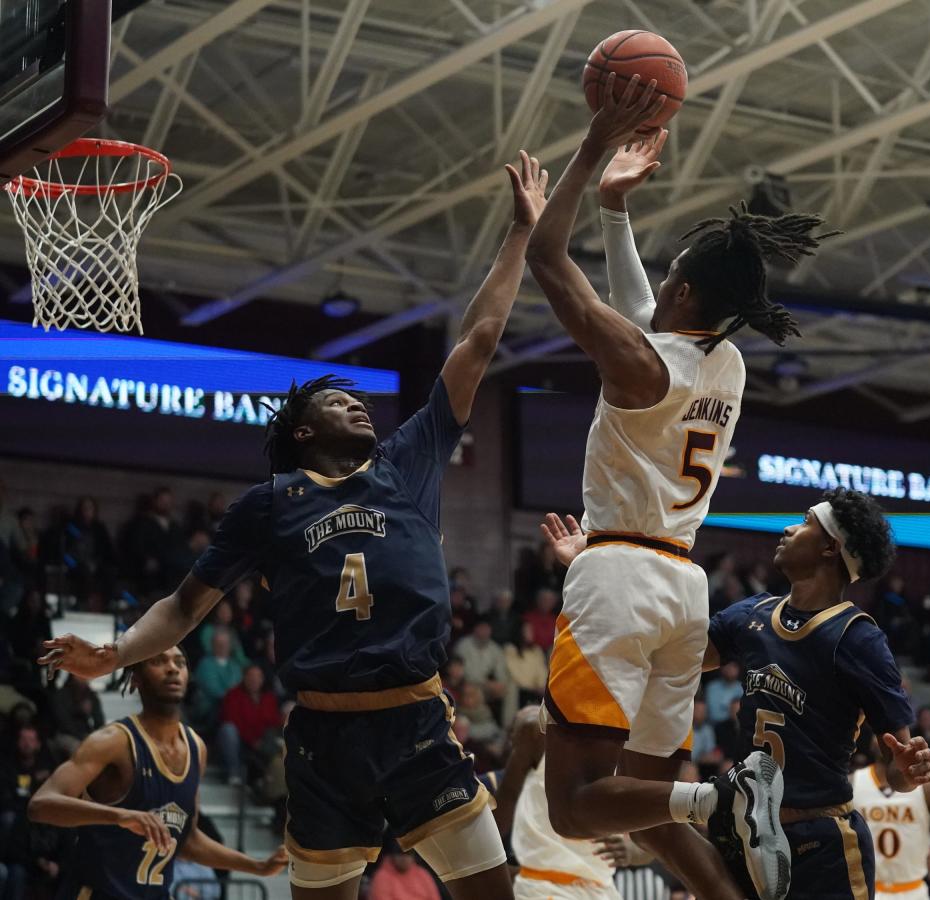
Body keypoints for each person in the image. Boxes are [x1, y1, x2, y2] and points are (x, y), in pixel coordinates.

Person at [40, 151, 549, 900]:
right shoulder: (270, 502)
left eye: (359, 399)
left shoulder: (407, 461)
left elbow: (475, 344)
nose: (358, 404)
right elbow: (184, 607)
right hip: (324, 736)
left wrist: (518, 234)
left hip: (417, 725)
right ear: (302, 433)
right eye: (337, 401)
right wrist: (115, 654)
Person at [524, 72, 837, 900]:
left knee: (576, 806)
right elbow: (647, 306)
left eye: (672, 275)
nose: (659, 283)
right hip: (683, 587)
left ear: (687, 291)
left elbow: (545, 261)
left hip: (619, 576)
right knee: (647, 803)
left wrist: (592, 149)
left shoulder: (636, 366)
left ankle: (723, 795)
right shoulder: (723, 360)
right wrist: (615, 210)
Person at [543, 487, 930, 900]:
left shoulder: (857, 637)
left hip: (820, 841)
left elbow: (897, 764)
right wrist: (598, 575)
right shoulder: (754, 614)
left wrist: (908, 771)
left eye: (805, 522)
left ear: (830, 547)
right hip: (744, 833)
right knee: (652, 829)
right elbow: (675, 654)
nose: (787, 528)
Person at [28, 646, 287, 899]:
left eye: (180, 662)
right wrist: (118, 816)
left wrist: (257, 866)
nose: (172, 669)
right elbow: (41, 805)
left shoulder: (196, 747)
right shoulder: (112, 742)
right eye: (159, 661)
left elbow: (188, 841)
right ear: (136, 679)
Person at [493, 706, 649, 899]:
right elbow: (508, 796)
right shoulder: (537, 730)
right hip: (542, 885)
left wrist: (632, 852)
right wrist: (487, 868)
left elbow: (657, 836)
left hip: (602, 889)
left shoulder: (634, 748)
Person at [853, 742, 930, 900]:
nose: (885, 740)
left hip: (913, 890)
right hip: (867, 891)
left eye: (892, 731)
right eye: (880, 733)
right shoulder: (852, 783)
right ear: (870, 740)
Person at [218, 663, 282, 786]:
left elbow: (274, 722)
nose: (254, 679)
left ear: (262, 679)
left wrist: (262, 741)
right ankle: (233, 773)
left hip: (264, 743)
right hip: (240, 743)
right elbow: (233, 720)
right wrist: (253, 741)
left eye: (258, 676)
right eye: (251, 676)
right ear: (244, 677)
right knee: (228, 729)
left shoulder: (269, 698)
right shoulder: (233, 695)